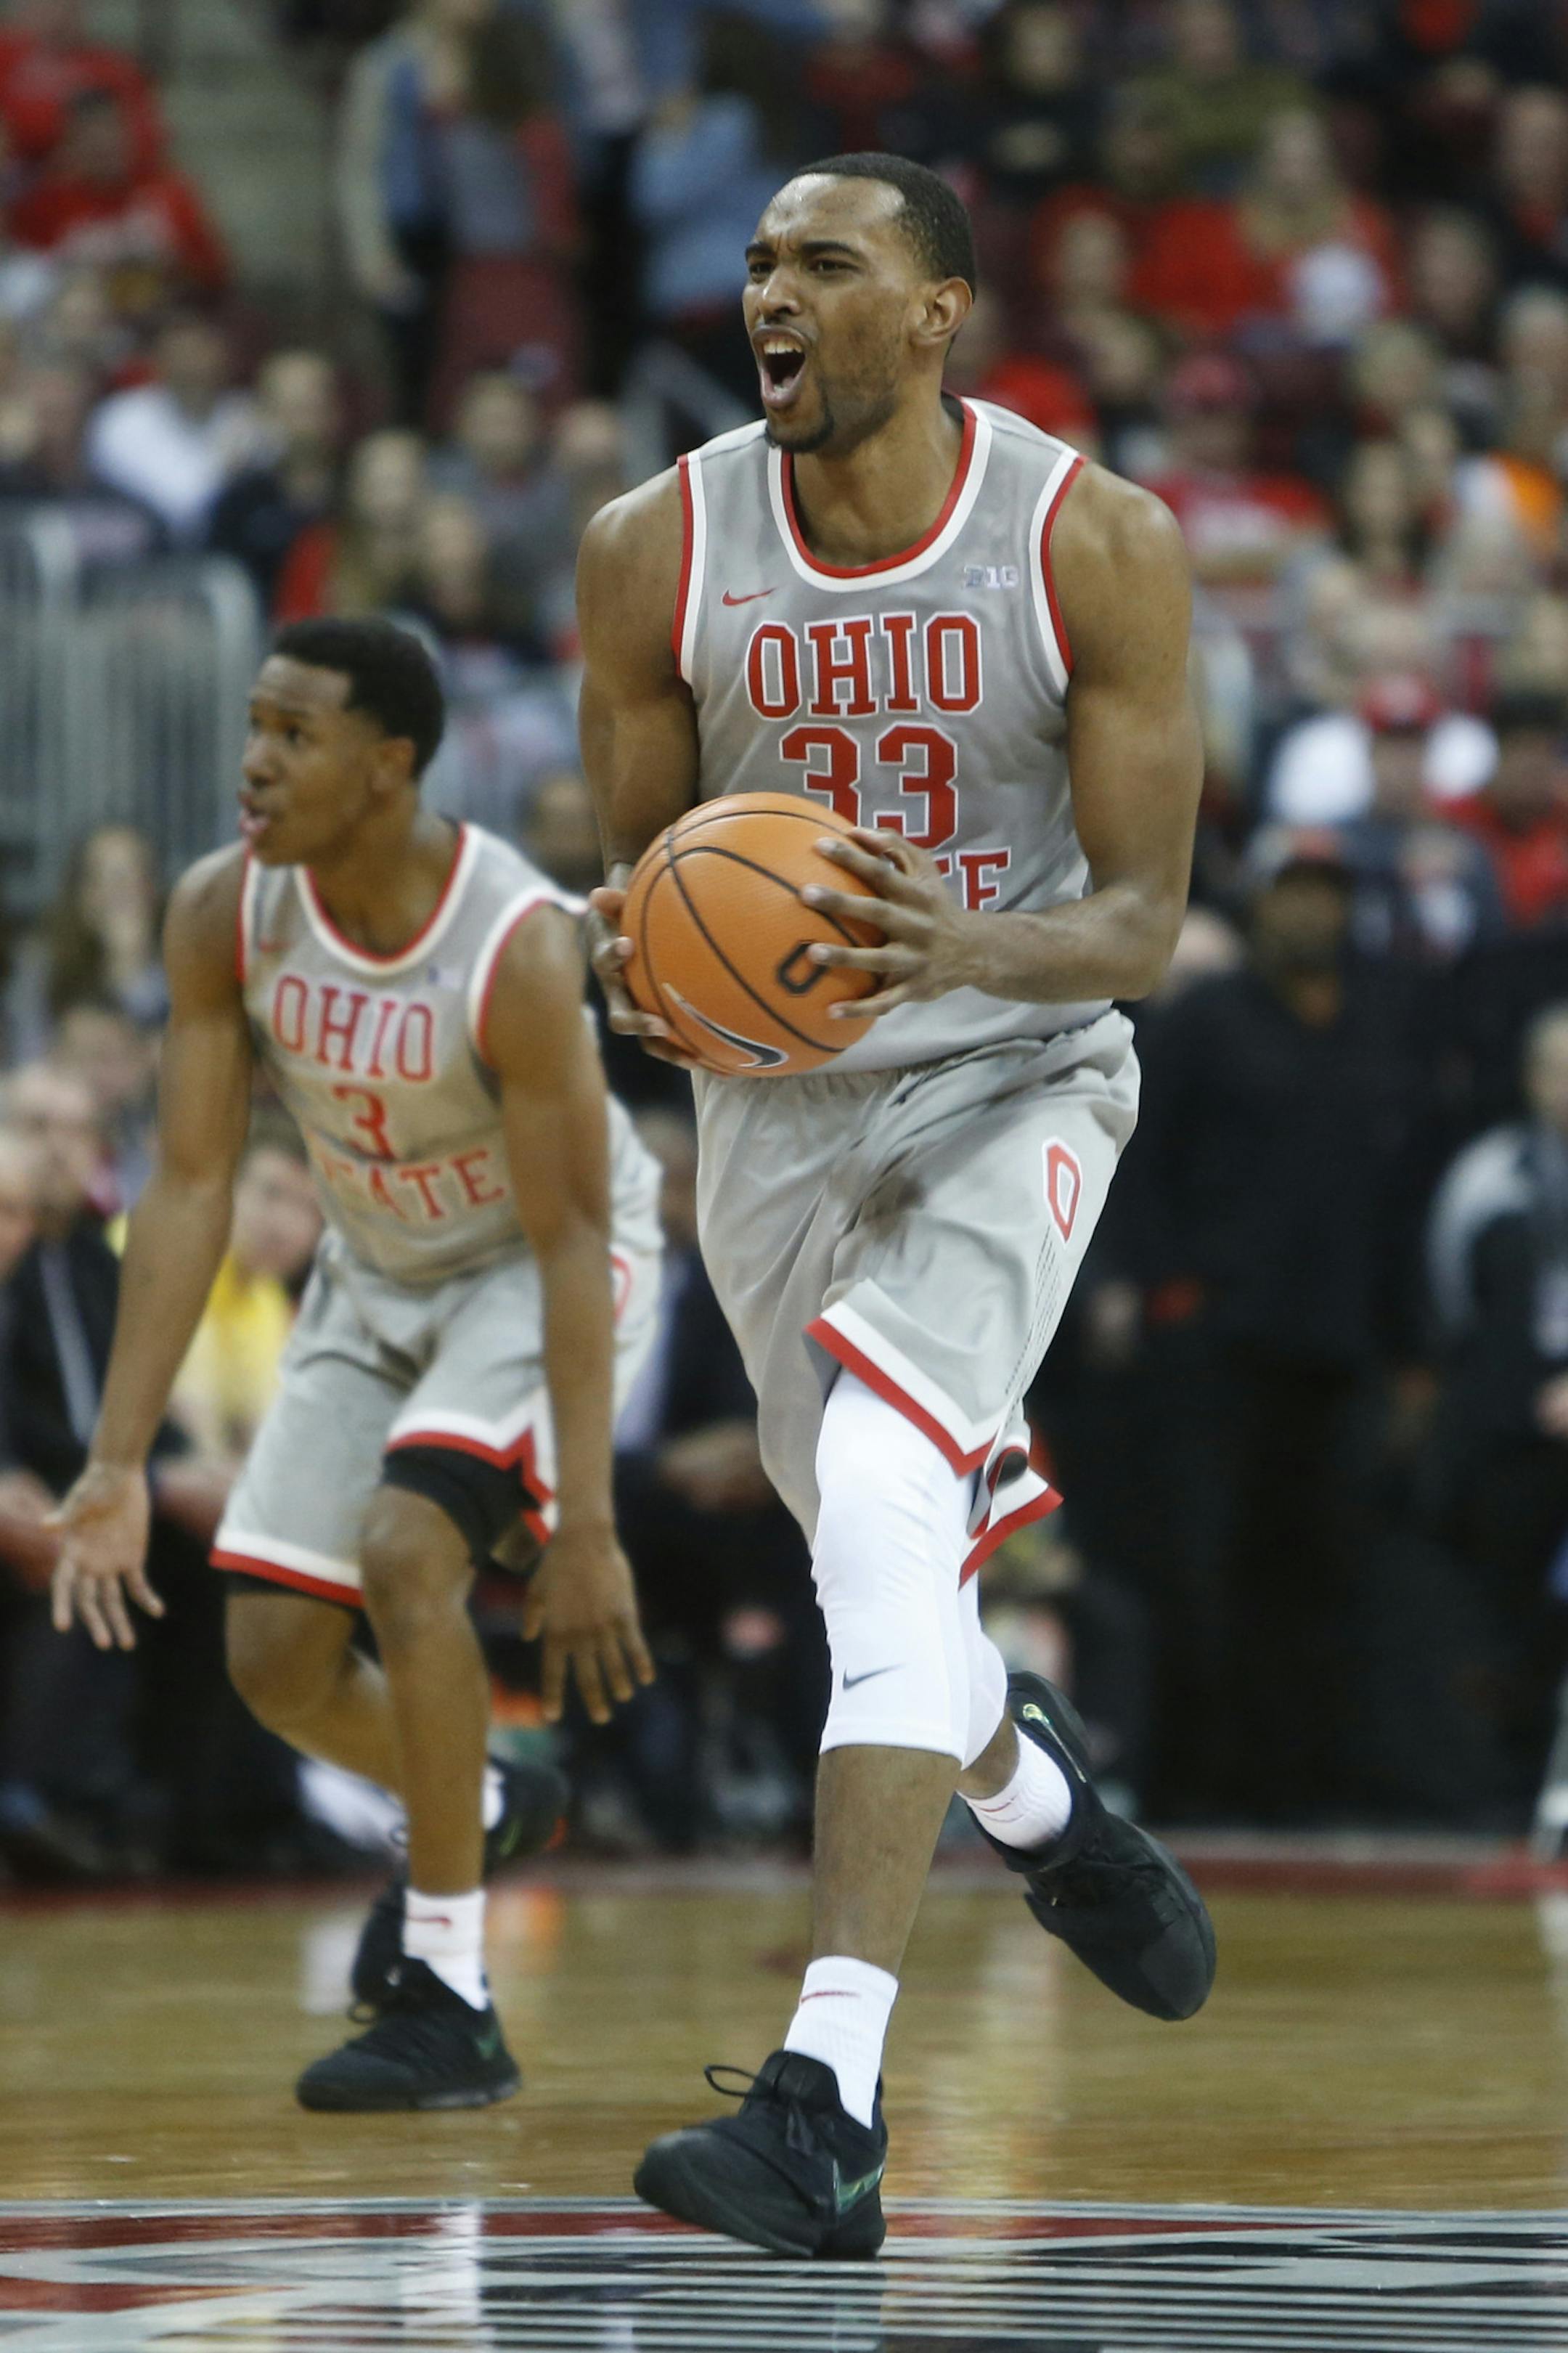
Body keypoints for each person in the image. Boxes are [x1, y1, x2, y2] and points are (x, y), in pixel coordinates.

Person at [577, 151, 1214, 2258]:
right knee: (888, 1567)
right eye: (761, 262)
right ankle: (1031, 1791)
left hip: (1018, 1059)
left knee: (871, 1485)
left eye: (826, 261)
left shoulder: (1089, 541)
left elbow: (1136, 926)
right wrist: (629, 949)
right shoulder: (650, 549)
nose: (774, 290)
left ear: (935, 314)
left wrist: (959, 948)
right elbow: (654, 891)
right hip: (774, 1113)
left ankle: (826, 2098)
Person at [47, 615, 663, 2110]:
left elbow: (577, 1237)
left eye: (294, 736)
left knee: (407, 1551)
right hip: (376, 1269)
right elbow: (190, 1189)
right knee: (272, 1655)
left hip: (535, 1269)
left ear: (389, 768)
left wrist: (585, 1518)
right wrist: (116, 1460)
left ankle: (451, 1991)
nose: (253, 761)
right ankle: (484, 1795)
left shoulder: (513, 943)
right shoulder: (223, 911)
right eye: (254, 726)